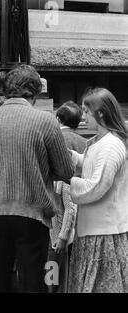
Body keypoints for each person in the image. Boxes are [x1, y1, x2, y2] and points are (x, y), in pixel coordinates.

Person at [0, 65, 75, 293]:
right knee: (32, 280)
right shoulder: (45, 121)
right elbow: (66, 171)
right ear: (34, 92)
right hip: (33, 213)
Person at [68, 88, 128, 293]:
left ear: (100, 113)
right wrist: (74, 157)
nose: (83, 116)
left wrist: (69, 180)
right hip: (96, 228)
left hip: (103, 232)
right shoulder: (102, 142)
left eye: (86, 111)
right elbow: (94, 164)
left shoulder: (111, 145)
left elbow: (97, 185)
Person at [48, 101, 87, 293]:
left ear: (57, 118)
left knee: (53, 263)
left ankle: (52, 289)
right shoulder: (85, 143)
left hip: (59, 214)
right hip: (82, 212)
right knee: (72, 267)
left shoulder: (56, 140)